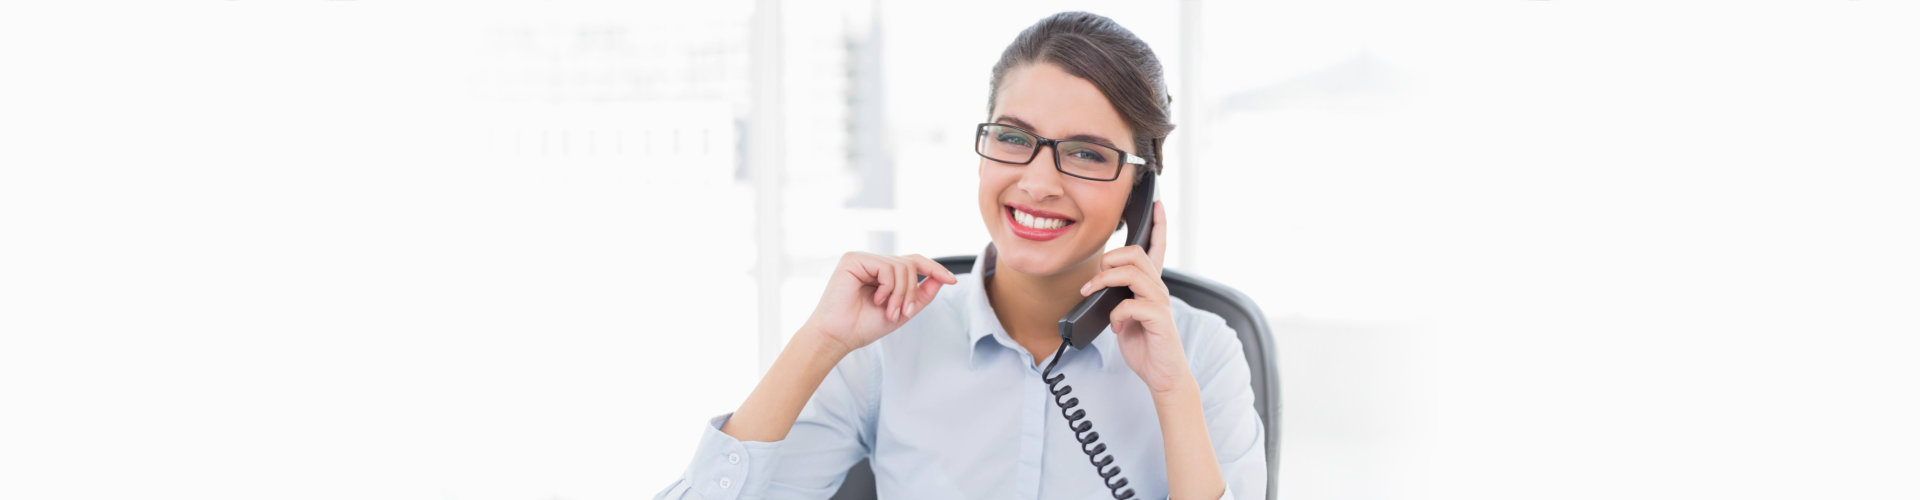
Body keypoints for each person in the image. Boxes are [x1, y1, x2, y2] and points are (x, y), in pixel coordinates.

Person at [656, 11, 1265, 500]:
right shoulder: (890, 343)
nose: (1038, 182)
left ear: (1139, 190)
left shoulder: (1202, 355)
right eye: (1013, 138)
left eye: (1086, 154)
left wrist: (1171, 393)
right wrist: (820, 342)